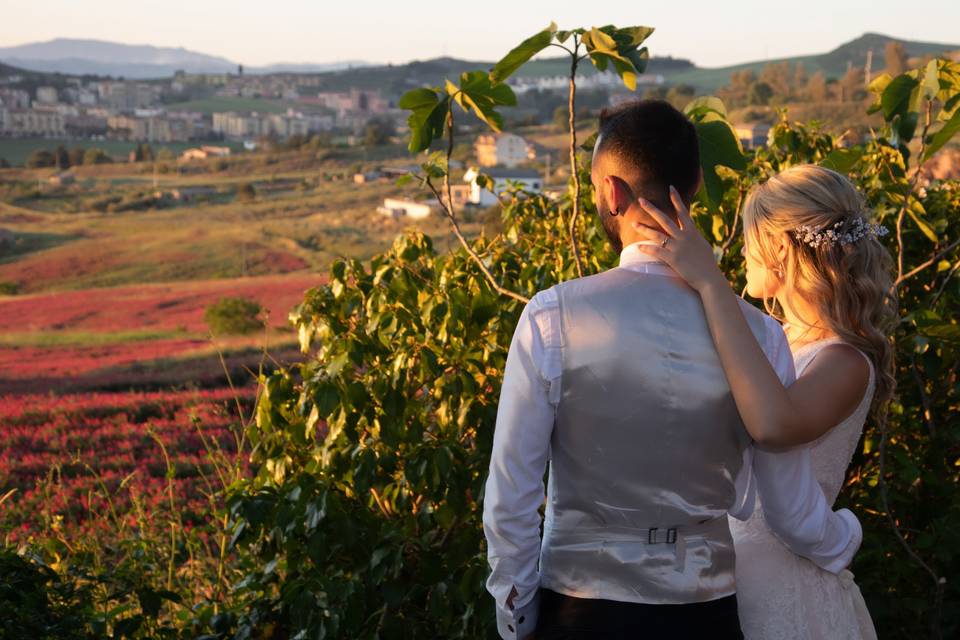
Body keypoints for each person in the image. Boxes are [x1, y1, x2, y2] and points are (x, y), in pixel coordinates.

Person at [482, 100, 863, 640]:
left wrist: (517, 614)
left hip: (579, 607)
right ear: (698, 184)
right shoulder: (760, 335)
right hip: (706, 611)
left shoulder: (552, 316)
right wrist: (842, 540)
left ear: (611, 192)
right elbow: (790, 510)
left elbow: (512, 493)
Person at [631, 164, 895, 639]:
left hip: (784, 585)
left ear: (779, 248)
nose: (743, 250)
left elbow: (772, 424)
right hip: (721, 575)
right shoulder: (777, 340)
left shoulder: (844, 360)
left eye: (752, 235)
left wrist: (712, 283)